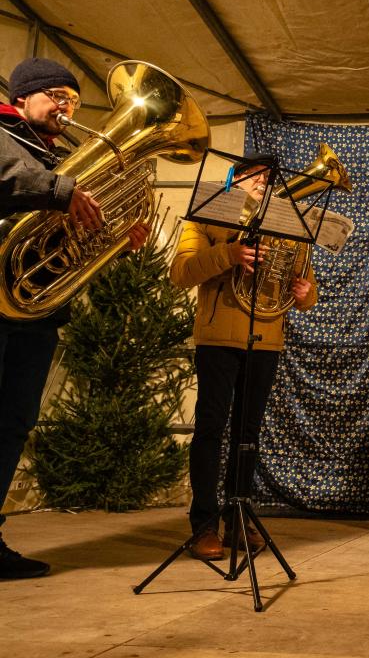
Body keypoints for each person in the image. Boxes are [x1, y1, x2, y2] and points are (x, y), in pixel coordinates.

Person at [0, 57, 147, 579]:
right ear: (23, 98)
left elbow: (63, 247)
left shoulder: (59, 156)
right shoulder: (3, 132)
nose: (66, 106)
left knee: (14, 422)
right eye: (56, 95)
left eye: (72, 99)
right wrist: (63, 191)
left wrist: (112, 242)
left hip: (34, 308)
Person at [170, 155, 317, 560]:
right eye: (252, 174)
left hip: (265, 339)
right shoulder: (207, 216)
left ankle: (238, 519)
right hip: (218, 337)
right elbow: (181, 272)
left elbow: (305, 283)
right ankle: (203, 525)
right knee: (210, 430)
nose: (261, 180)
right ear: (233, 178)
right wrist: (230, 255)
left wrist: (306, 295)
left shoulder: (287, 225)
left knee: (247, 436)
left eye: (267, 176)